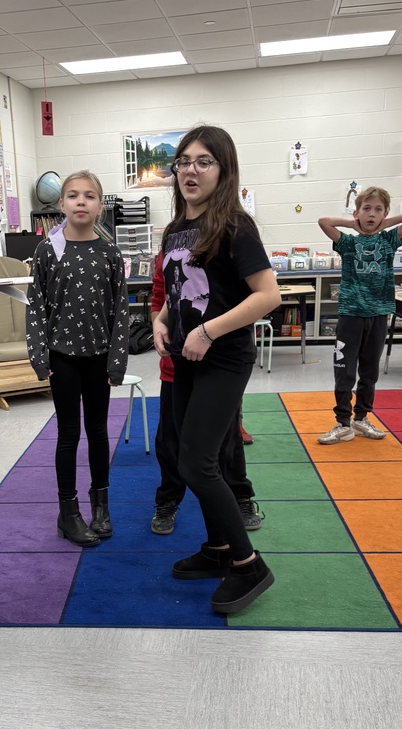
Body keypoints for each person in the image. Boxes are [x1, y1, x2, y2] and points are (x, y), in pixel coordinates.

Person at [152, 126, 281, 615]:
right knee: (189, 458)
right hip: (185, 357)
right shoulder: (173, 231)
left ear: (223, 170)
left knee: (199, 464)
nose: (190, 170)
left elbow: (268, 296)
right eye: (184, 161)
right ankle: (220, 548)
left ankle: (248, 564)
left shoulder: (235, 225)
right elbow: (177, 293)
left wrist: (208, 332)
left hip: (222, 359)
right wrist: (164, 321)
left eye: (204, 161)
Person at [26, 170, 129, 547]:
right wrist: (40, 356)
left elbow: (120, 309)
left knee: (99, 433)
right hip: (63, 359)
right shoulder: (46, 251)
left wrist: (117, 361)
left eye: (89, 196)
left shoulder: (110, 252)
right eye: (73, 195)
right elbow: (35, 306)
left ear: (100, 206)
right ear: (61, 204)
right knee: (69, 434)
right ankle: (67, 512)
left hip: (99, 358)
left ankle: (100, 505)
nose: (80, 201)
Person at [149, 250, 264, 535]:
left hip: (218, 368)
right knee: (171, 439)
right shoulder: (169, 249)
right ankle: (168, 500)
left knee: (228, 439)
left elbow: (256, 296)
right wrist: (159, 325)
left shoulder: (225, 243)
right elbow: (160, 298)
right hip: (177, 366)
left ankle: (240, 496)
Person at [317, 189, 402, 444]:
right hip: (351, 315)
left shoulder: (389, 240)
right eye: (366, 208)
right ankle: (343, 423)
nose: (372, 214)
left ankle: (361, 418)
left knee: (370, 371)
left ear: (385, 214)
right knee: (344, 370)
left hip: (378, 314)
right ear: (357, 212)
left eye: (378, 210)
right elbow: (324, 222)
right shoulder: (347, 242)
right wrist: (353, 223)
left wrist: (386, 223)